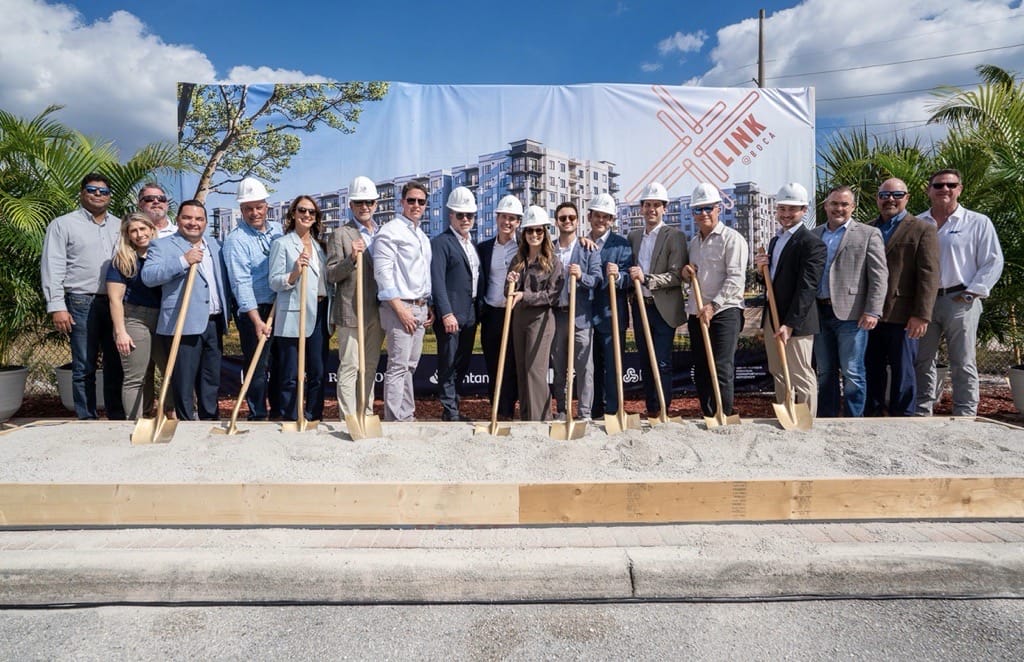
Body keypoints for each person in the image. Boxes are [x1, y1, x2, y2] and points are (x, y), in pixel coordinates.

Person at [915, 169, 1004, 417]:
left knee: (963, 361)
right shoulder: (918, 223)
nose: (945, 189)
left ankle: (965, 413)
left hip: (960, 300)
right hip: (925, 302)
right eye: (939, 185)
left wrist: (971, 293)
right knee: (922, 360)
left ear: (960, 189)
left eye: (951, 185)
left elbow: (993, 261)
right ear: (928, 189)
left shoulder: (978, 222)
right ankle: (922, 411)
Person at [41, 173, 125, 420]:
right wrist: (56, 305)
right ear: (82, 193)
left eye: (103, 191)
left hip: (115, 303)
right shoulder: (63, 225)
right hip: (80, 302)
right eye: (92, 189)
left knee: (115, 363)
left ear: (110, 196)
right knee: (84, 365)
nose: (98, 194)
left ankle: (116, 416)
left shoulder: (119, 225)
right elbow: (52, 265)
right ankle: (86, 418)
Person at [141, 200, 228, 421]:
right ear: (178, 219)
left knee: (210, 381)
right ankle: (187, 425)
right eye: (187, 218)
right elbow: (149, 277)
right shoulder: (162, 245)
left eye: (199, 219)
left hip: (214, 322)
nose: (193, 223)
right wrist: (183, 261)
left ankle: (209, 421)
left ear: (206, 222)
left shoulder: (215, 246)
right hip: (182, 323)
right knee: (184, 381)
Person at [864, 178, 939, 417]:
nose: (890, 200)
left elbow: (929, 275)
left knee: (904, 371)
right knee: (870, 368)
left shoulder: (922, 229)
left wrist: (921, 315)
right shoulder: (866, 228)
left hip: (904, 315)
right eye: (884, 195)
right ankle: (872, 415)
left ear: (907, 197)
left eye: (897, 194)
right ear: (877, 199)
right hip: (869, 314)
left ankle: (903, 418)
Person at [811, 186, 888, 418]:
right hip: (818, 313)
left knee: (852, 371)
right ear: (825, 206)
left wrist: (873, 311)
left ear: (852, 207)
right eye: (834, 203)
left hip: (851, 315)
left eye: (844, 204)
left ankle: (855, 420)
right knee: (825, 372)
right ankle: (828, 417)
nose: (839, 208)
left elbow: (879, 275)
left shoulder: (867, 234)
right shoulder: (814, 235)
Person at [752, 183, 826, 417]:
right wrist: (760, 270)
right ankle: (786, 415)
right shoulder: (776, 241)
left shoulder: (812, 243)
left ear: (804, 210)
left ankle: (807, 420)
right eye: (782, 208)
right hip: (772, 317)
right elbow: (772, 283)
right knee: (778, 370)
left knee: (800, 373)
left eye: (792, 209)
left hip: (797, 321)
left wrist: (790, 324)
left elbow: (807, 288)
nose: (785, 214)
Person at [682, 182, 747, 419]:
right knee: (701, 368)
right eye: (698, 209)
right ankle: (709, 414)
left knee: (721, 367)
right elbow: (693, 279)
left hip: (725, 312)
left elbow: (736, 278)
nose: (703, 214)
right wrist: (686, 274)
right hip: (698, 311)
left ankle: (724, 413)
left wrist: (714, 305)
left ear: (718, 208)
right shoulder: (694, 243)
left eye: (708, 208)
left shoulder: (732, 239)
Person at [222, 177, 283, 421]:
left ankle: (280, 410)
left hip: (280, 305)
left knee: (282, 362)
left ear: (266, 206)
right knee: (257, 364)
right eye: (248, 208)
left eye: (258, 207)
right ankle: (258, 413)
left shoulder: (279, 230)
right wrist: (257, 320)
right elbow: (241, 283)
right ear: (241, 210)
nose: (254, 213)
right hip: (253, 311)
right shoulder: (236, 241)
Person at [373, 181, 432, 422]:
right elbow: (382, 274)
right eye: (411, 200)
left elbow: (422, 274)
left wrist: (427, 305)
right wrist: (400, 310)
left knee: (409, 367)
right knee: (397, 367)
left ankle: (406, 416)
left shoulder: (421, 235)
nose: (416, 205)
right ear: (402, 202)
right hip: (399, 306)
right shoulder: (390, 231)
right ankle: (394, 420)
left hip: (419, 306)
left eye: (421, 201)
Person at [627, 182, 687, 418]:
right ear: (641, 208)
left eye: (656, 205)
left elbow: (676, 275)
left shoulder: (675, 236)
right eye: (647, 205)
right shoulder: (633, 237)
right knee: (645, 359)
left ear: (664, 208)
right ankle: (651, 407)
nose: (651, 209)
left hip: (663, 309)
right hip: (640, 307)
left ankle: (663, 407)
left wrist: (647, 278)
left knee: (661, 361)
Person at [269, 196, 330, 422]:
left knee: (318, 372)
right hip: (294, 314)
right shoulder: (282, 244)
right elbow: (274, 282)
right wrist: (294, 273)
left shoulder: (320, 247)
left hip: (320, 313)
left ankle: (313, 417)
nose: (307, 215)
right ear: (293, 213)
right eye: (302, 210)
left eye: (311, 212)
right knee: (290, 375)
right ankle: (288, 417)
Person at [326, 175, 382, 419]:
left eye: (369, 202)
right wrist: (351, 259)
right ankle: (348, 418)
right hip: (350, 310)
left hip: (377, 312)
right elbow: (331, 274)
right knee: (350, 367)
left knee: (369, 367)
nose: (365, 207)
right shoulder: (340, 235)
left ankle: (366, 413)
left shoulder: (382, 234)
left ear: (376, 204)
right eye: (359, 202)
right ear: (351, 205)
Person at [506, 206, 564, 421]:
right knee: (522, 369)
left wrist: (525, 296)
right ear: (524, 234)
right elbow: (509, 293)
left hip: (541, 319)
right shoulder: (517, 260)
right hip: (519, 318)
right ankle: (526, 416)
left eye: (539, 231)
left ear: (545, 233)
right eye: (530, 231)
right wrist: (510, 283)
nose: (534, 235)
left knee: (535, 370)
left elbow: (552, 295)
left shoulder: (553, 262)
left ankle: (542, 418)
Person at [106, 213, 166, 419]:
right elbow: (115, 299)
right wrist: (120, 331)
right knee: (136, 376)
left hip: (164, 320)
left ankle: (171, 415)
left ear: (151, 229)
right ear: (128, 235)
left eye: (143, 229)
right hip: (135, 319)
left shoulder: (164, 256)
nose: (140, 234)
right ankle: (137, 421)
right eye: (134, 231)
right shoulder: (122, 261)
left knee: (170, 371)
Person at [430, 187, 482, 422]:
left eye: (469, 215)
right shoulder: (441, 243)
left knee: (462, 362)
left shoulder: (472, 245)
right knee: (448, 363)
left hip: (470, 314)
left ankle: (454, 404)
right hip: (451, 316)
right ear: (450, 214)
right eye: (460, 215)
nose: (465, 219)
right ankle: (449, 411)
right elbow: (438, 282)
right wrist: (446, 313)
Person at [550, 201, 602, 422]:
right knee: (559, 367)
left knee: (584, 369)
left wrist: (582, 276)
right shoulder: (550, 248)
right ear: (557, 222)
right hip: (557, 315)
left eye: (571, 217)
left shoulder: (588, 248)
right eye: (563, 218)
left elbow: (598, 280)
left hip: (580, 316)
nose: (567, 221)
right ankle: (562, 410)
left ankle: (584, 413)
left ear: (577, 220)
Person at [586, 195, 634, 419]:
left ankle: (613, 410)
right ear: (590, 217)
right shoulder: (581, 244)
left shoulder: (621, 245)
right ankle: (594, 410)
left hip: (611, 314)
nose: (601, 220)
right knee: (590, 368)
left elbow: (629, 278)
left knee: (613, 366)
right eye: (597, 216)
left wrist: (619, 276)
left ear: (612, 220)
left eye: (606, 217)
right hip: (585, 316)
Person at [477, 194, 522, 419]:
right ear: (497, 218)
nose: (508, 222)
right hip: (492, 314)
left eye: (513, 218)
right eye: (504, 217)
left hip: (516, 314)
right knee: (494, 364)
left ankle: (510, 410)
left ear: (518, 222)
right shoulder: (484, 249)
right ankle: (496, 410)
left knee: (513, 365)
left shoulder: (524, 247)